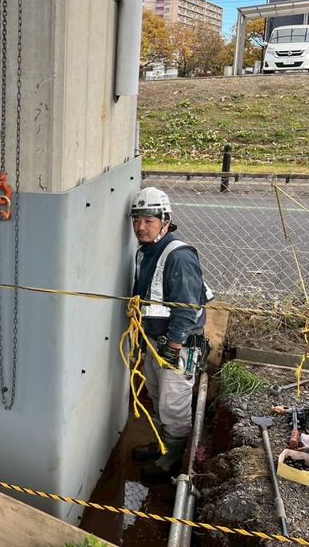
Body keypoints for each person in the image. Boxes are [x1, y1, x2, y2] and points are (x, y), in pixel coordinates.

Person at [128, 187, 211, 483]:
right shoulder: (145, 253)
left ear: (165, 221)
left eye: (148, 220)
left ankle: (172, 460)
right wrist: (143, 342)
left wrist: (173, 347)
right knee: (157, 396)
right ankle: (162, 445)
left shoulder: (179, 257)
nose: (141, 227)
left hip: (178, 345)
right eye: (137, 220)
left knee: (173, 403)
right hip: (155, 342)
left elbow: (187, 309)